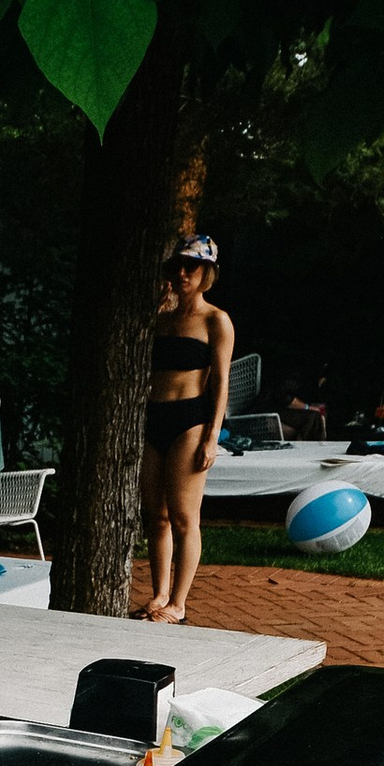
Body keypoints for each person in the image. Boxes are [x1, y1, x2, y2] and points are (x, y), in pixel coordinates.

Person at [141, 232, 234, 623]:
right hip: (154, 419)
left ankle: (179, 604)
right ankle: (160, 594)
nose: (182, 273)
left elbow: (221, 382)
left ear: (206, 272)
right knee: (154, 515)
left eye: (191, 266)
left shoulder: (216, 320)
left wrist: (212, 436)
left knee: (183, 517)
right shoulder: (160, 319)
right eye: (175, 266)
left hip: (190, 421)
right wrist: (155, 310)